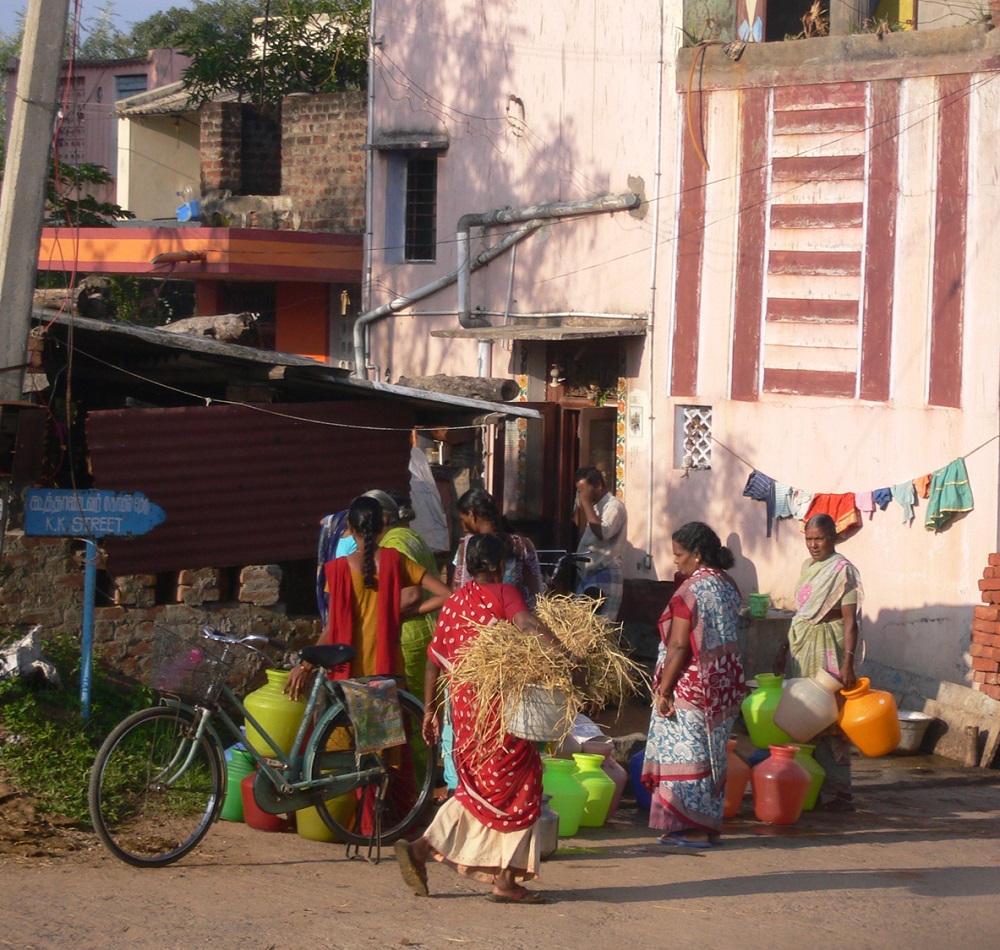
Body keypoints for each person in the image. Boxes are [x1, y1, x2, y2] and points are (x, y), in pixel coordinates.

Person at [394, 533, 574, 904]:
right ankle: (504, 881)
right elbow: (527, 626)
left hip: (464, 713)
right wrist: (567, 657)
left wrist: (431, 709)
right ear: (496, 565)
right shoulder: (505, 593)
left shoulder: (455, 602)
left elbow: (433, 662)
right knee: (522, 785)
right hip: (498, 707)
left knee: (479, 789)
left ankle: (423, 849)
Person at [642, 522, 746, 847]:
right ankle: (699, 825)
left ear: (697, 555)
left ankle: (691, 828)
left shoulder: (691, 590)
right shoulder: (727, 585)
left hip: (691, 684)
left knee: (686, 754)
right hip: (723, 682)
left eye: (679, 555)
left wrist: (665, 689)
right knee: (711, 753)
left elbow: (678, 646)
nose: (676, 561)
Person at [287, 495, 451, 699]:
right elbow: (446, 594)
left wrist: (305, 666)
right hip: (388, 671)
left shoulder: (338, 570)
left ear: (349, 526)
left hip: (347, 672)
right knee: (388, 730)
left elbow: (333, 628)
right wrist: (403, 614)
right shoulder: (396, 560)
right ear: (383, 523)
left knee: (345, 730)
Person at [773, 512, 862, 812]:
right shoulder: (808, 567)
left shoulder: (843, 571)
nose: (813, 545)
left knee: (832, 720)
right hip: (802, 647)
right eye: (809, 539)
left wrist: (848, 662)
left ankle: (839, 791)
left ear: (833, 537)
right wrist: (784, 648)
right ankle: (808, 784)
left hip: (830, 651)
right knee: (803, 716)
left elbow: (851, 623)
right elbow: (801, 612)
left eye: (819, 539)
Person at [452, 488, 544, 609]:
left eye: (462, 520)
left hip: (476, 619)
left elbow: (456, 589)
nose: (463, 525)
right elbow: (535, 592)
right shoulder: (523, 545)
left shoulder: (468, 546)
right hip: (515, 619)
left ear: (471, 514)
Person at [573, 466, 627, 620]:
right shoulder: (596, 507)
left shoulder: (614, 506)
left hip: (605, 573)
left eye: (583, 491)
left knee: (597, 627)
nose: (581, 496)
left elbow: (603, 533)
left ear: (597, 485)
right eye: (579, 492)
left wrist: (587, 504)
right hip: (589, 575)